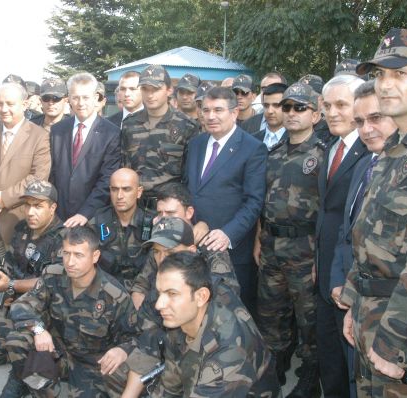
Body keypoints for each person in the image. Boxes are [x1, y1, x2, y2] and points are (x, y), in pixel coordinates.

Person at [339, 28, 407, 398]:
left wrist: (397, 343)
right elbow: (368, 232)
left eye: (401, 74)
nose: (385, 85)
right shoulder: (396, 147)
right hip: (372, 315)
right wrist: (355, 299)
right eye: (381, 74)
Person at [0, 82, 51, 361]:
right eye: (0, 103)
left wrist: (3, 198)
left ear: (25, 104)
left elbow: (37, 178)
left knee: (19, 280)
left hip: (20, 222)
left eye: (10, 104)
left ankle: (21, 333)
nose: (3, 109)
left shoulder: (38, 136)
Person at [5, 225, 137, 397]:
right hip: (55, 349)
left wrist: (122, 350)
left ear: (95, 256)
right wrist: (39, 329)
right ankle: (31, 383)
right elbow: (22, 305)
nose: (70, 262)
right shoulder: (53, 276)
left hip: (90, 365)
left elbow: (135, 335)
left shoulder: (114, 295)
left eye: (78, 255)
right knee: (17, 340)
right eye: (66, 253)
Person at [327, 79, 398, 397]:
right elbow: (347, 236)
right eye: (360, 121)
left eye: (376, 118)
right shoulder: (364, 167)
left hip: (392, 315)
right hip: (355, 299)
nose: (366, 129)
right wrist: (340, 283)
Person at [128, 251, 279, 397]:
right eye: (160, 293)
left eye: (172, 294)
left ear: (201, 297)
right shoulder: (181, 321)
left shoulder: (230, 348)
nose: (159, 304)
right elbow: (169, 388)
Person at [255, 82, 325, 396]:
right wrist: (259, 238)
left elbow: (329, 212)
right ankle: (275, 371)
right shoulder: (272, 154)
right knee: (271, 315)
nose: (292, 113)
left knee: (308, 319)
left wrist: (320, 257)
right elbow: (261, 203)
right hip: (271, 246)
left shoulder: (323, 155)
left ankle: (309, 377)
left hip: (305, 249)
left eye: (300, 108)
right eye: (287, 107)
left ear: (315, 114)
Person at [183, 86, 267, 313]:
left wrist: (228, 233)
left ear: (234, 112)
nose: (211, 116)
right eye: (206, 110)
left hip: (230, 250)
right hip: (195, 245)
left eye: (218, 110)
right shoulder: (196, 144)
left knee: (232, 315)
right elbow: (189, 190)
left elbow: (254, 201)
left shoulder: (253, 148)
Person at [315, 74, 367, 398]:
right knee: (329, 356)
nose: (332, 113)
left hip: (350, 273)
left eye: (341, 105)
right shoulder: (333, 146)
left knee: (351, 364)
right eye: (328, 105)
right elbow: (326, 211)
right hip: (325, 268)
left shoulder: (370, 151)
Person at [0, 179, 64, 372]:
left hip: (48, 312)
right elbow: (10, 263)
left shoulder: (64, 238)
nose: (31, 212)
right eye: (28, 205)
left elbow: (51, 282)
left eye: (38, 206)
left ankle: (40, 353)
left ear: (53, 208)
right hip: (20, 306)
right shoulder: (22, 228)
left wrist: (11, 285)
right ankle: (28, 350)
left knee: (21, 349)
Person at [121, 65, 198, 206]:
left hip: (169, 207)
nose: (150, 95)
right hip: (133, 205)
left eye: (156, 89)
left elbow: (191, 176)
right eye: (145, 89)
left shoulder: (187, 126)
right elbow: (123, 165)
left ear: (169, 90)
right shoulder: (129, 124)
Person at [49, 72, 121, 226]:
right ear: (69, 99)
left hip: (92, 218)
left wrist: (85, 213)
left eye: (86, 97)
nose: (81, 103)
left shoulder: (111, 133)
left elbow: (107, 179)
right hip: (57, 216)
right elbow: (52, 173)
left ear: (96, 98)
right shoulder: (57, 131)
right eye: (76, 97)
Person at [89, 168, 153, 290]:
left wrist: (140, 291)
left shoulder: (152, 223)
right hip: (106, 290)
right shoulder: (97, 222)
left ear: (139, 192)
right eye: (114, 189)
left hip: (144, 290)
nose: (119, 196)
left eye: (126, 189)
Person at [252, 82, 288, 148]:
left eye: (276, 105)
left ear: (287, 106)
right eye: (266, 105)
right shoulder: (252, 140)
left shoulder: (294, 140)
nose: (270, 111)